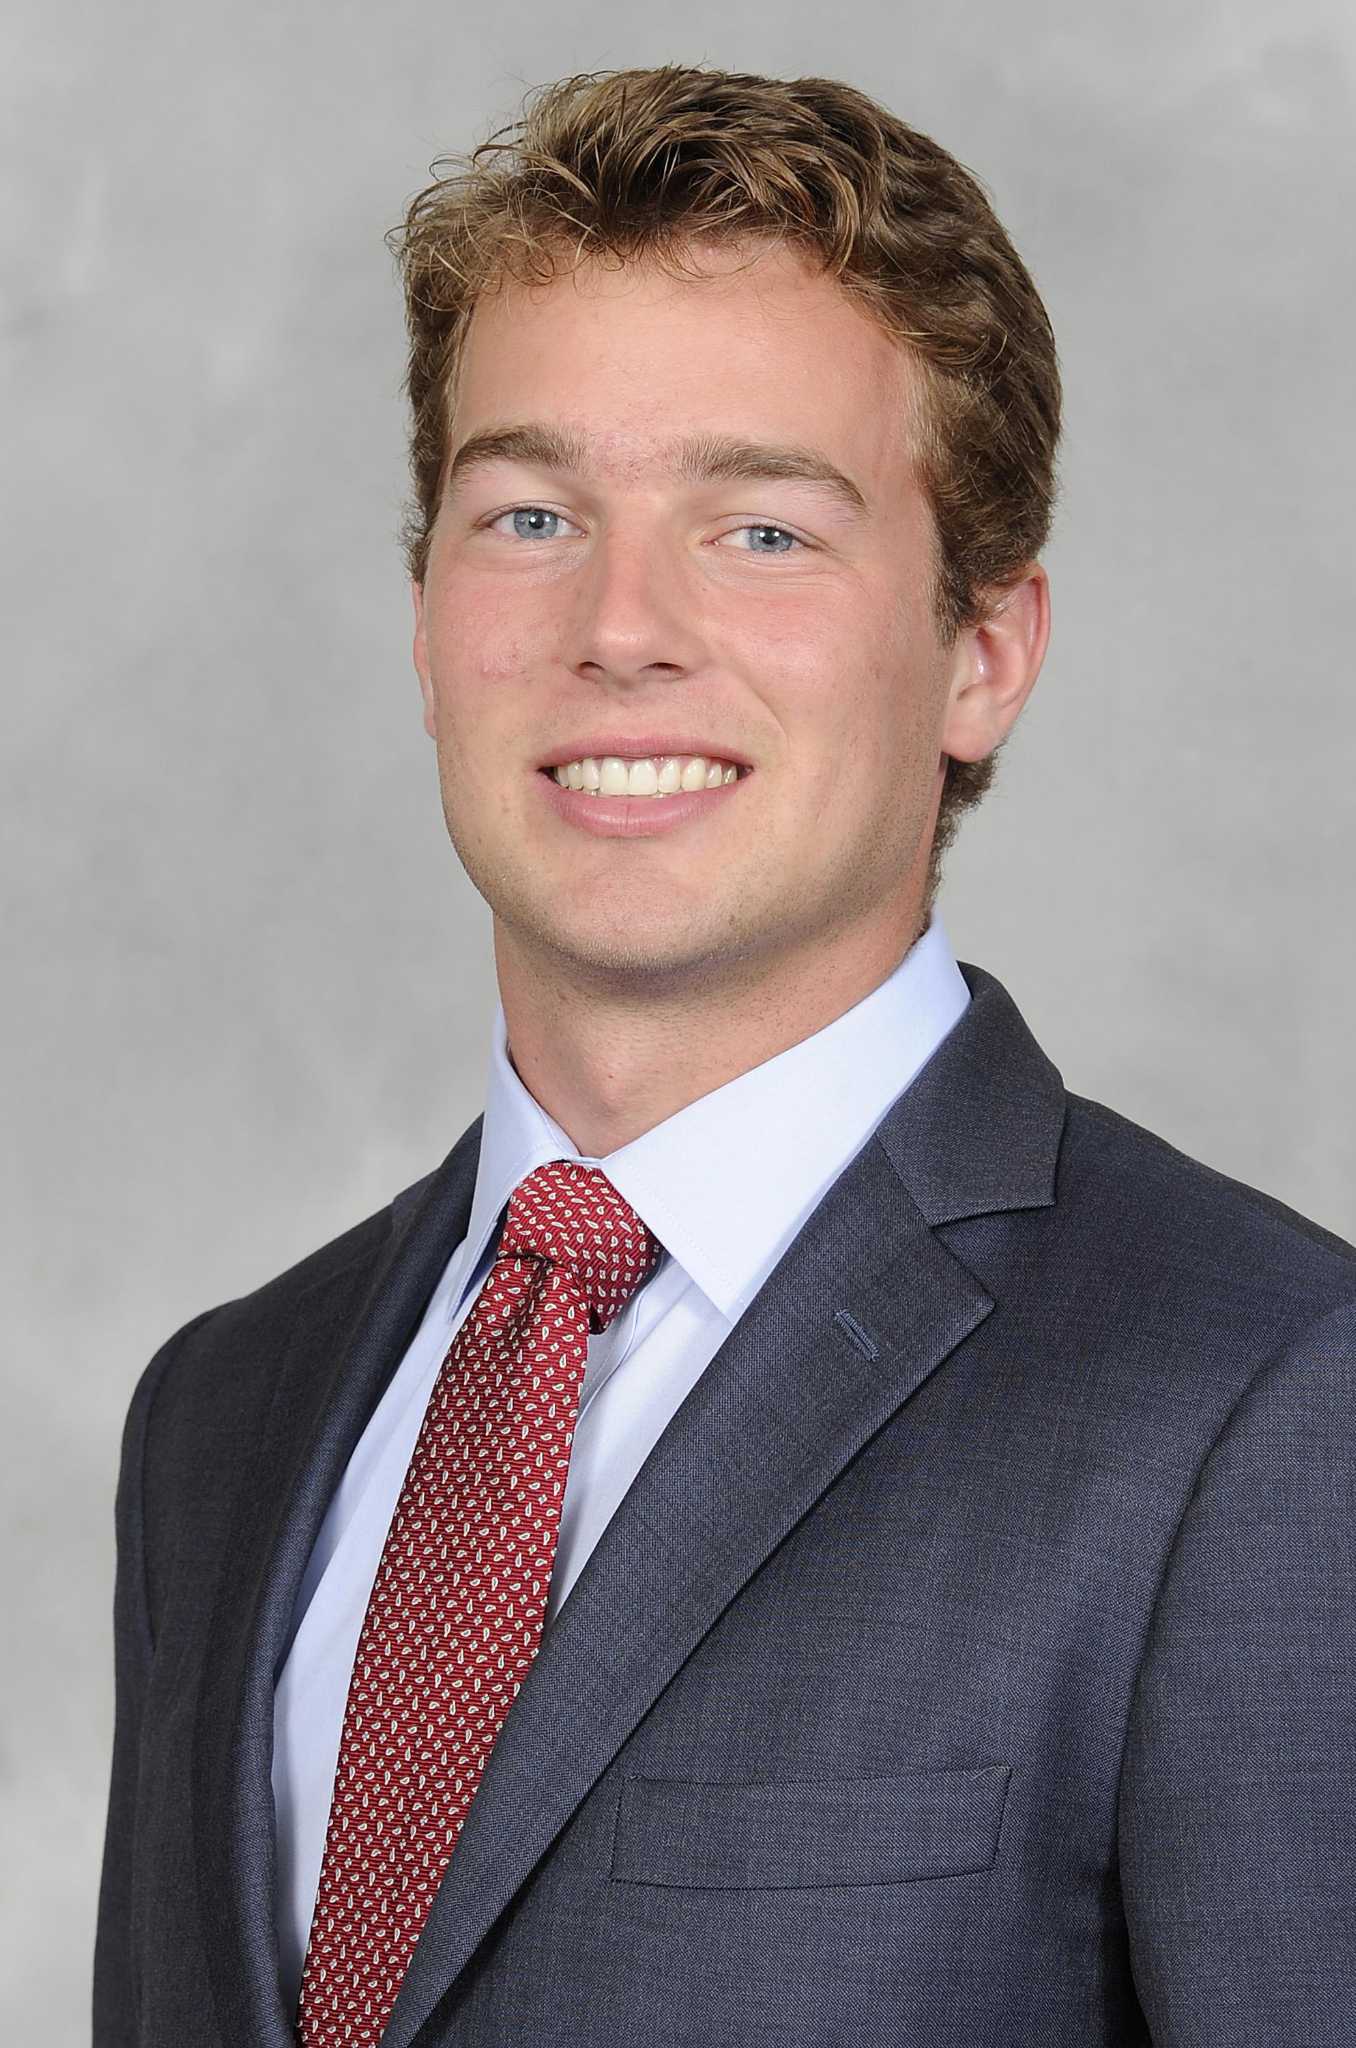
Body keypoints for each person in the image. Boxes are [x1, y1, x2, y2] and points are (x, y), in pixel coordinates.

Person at [94, 63, 1356, 2048]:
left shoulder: (1266, 1399)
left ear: (983, 653)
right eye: (530, 515)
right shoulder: (221, 1416)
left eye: (761, 529)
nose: (621, 627)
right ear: (423, 617)